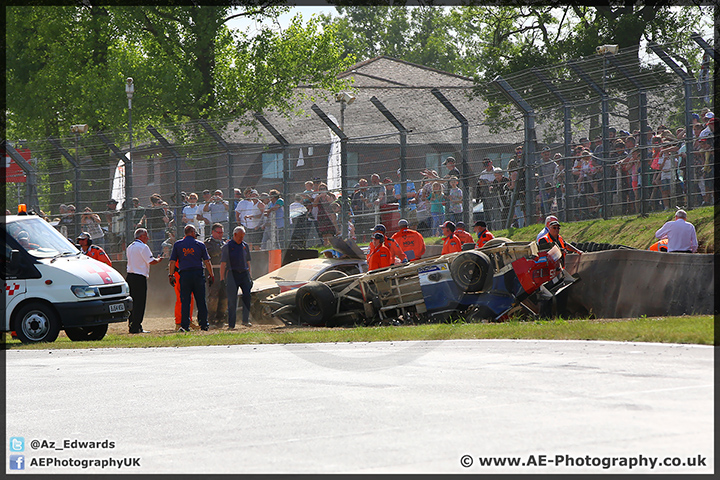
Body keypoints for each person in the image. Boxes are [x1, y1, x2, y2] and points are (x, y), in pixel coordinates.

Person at [168, 224, 215, 332]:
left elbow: (172, 262)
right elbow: (207, 261)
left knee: (185, 301)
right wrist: (211, 275)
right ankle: (204, 324)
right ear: (193, 232)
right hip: (198, 274)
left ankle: (185, 325)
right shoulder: (200, 245)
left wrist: (171, 275)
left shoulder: (178, 244)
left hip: (184, 275)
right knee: (201, 301)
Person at [126, 228, 162, 333]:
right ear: (141, 237)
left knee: (132, 302)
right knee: (140, 303)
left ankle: (131, 324)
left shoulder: (130, 247)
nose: (148, 238)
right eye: (146, 236)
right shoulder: (143, 247)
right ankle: (136, 326)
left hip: (130, 276)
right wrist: (159, 260)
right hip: (139, 277)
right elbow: (151, 261)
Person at [220, 226, 253, 328]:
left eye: (243, 237)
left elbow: (248, 261)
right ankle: (231, 324)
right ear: (234, 235)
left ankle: (245, 320)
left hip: (244, 274)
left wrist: (250, 276)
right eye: (240, 237)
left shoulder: (244, 246)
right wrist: (222, 279)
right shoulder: (227, 246)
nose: (241, 239)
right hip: (232, 274)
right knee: (232, 300)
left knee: (247, 296)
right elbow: (223, 264)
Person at [205, 223, 228, 328]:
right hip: (213, 272)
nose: (220, 235)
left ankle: (220, 318)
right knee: (213, 297)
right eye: (218, 232)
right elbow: (211, 254)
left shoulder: (224, 243)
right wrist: (223, 249)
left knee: (224, 297)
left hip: (224, 272)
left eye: (221, 232)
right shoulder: (207, 243)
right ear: (212, 232)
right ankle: (211, 319)